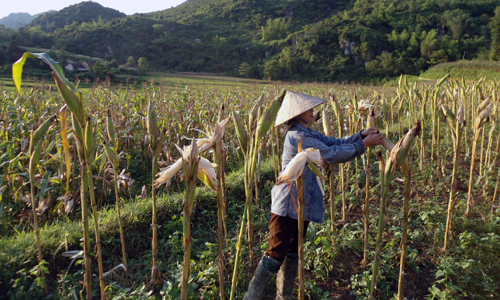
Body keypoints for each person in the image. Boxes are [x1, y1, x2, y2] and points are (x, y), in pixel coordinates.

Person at [243, 91, 384, 300]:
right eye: (308, 108)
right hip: (287, 204)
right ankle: (250, 297)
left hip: (302, 203)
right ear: (297, 113)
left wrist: (360, 135)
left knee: (292, 252)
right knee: (276, 253)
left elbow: (333, 143)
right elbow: (329, 154)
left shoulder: (308, 133)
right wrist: (362, 145)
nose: (313, 111)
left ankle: (284, 297)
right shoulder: (297, 136)